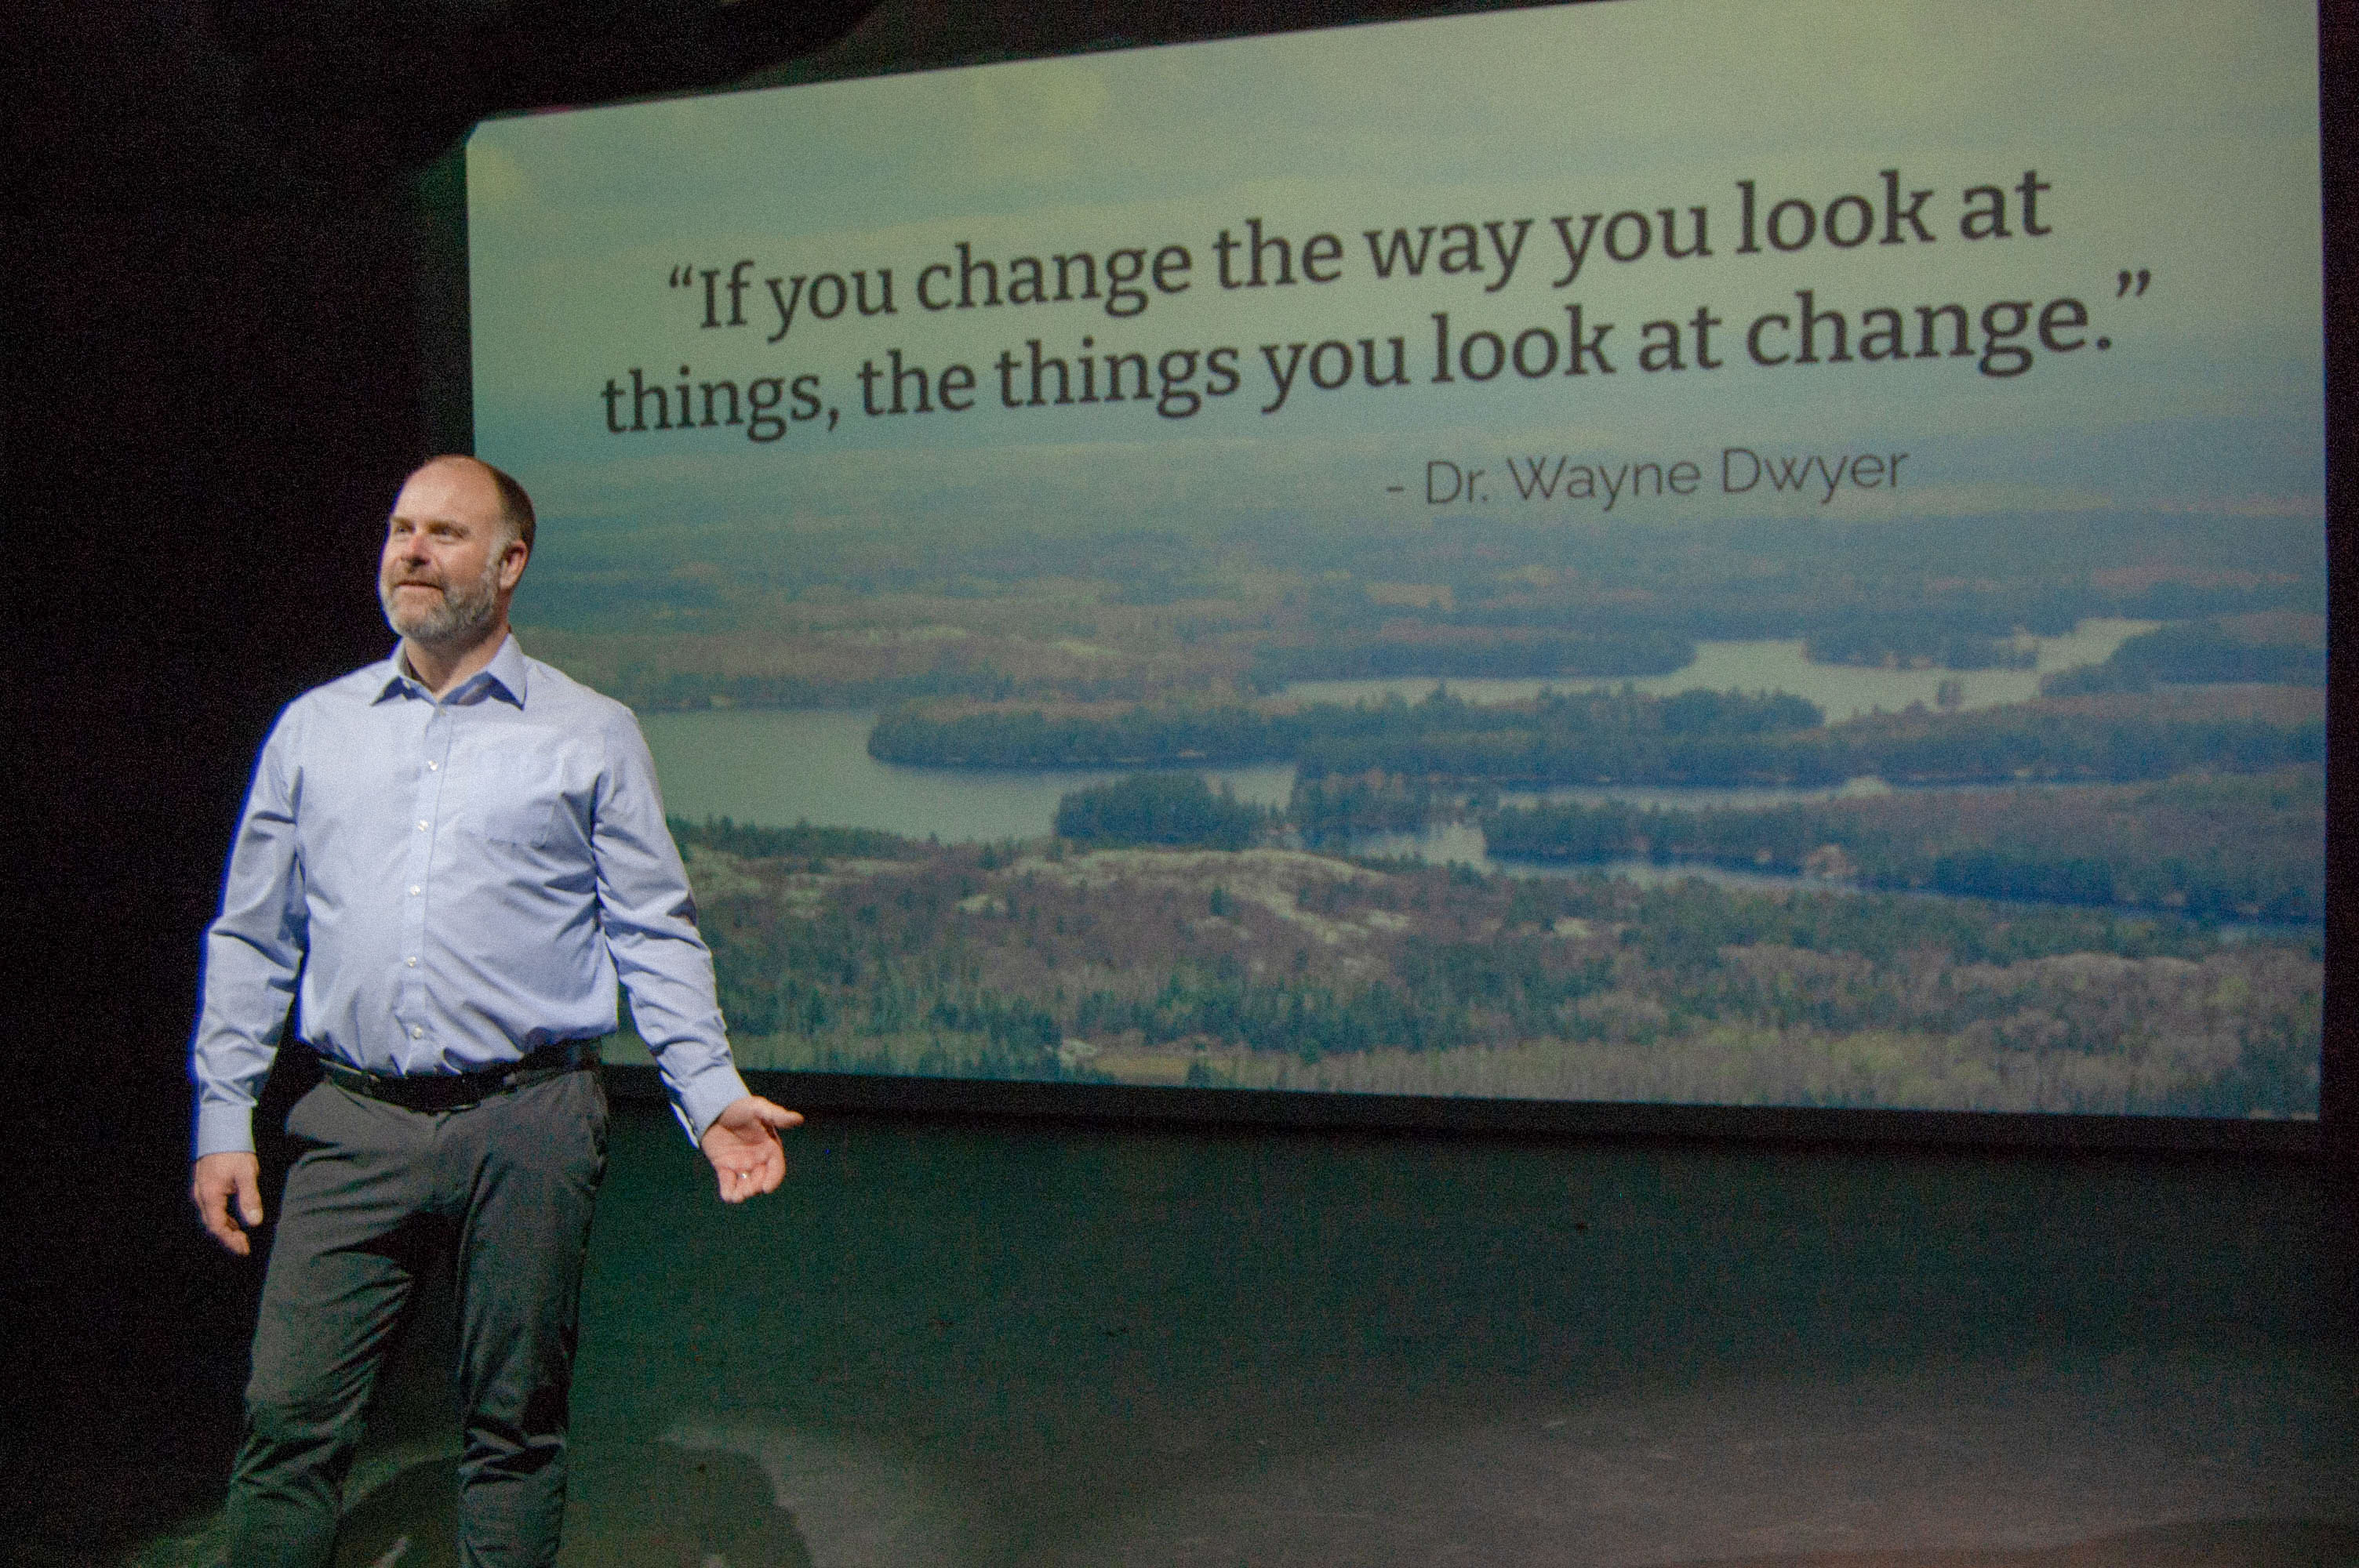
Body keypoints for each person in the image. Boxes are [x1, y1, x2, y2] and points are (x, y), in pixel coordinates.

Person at [188, 455, 800, 1567]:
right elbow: (252, 934)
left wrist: (708, 1096)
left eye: (445, 535)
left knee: (512, 1433)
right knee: (286, 1423)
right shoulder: (314, 730)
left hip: (529, 1119)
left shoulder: (589, 731)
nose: (411, 553)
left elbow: (651, 930)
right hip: (355, 1122)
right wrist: (223, 1112)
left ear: (510, 564)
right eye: (400, 529)